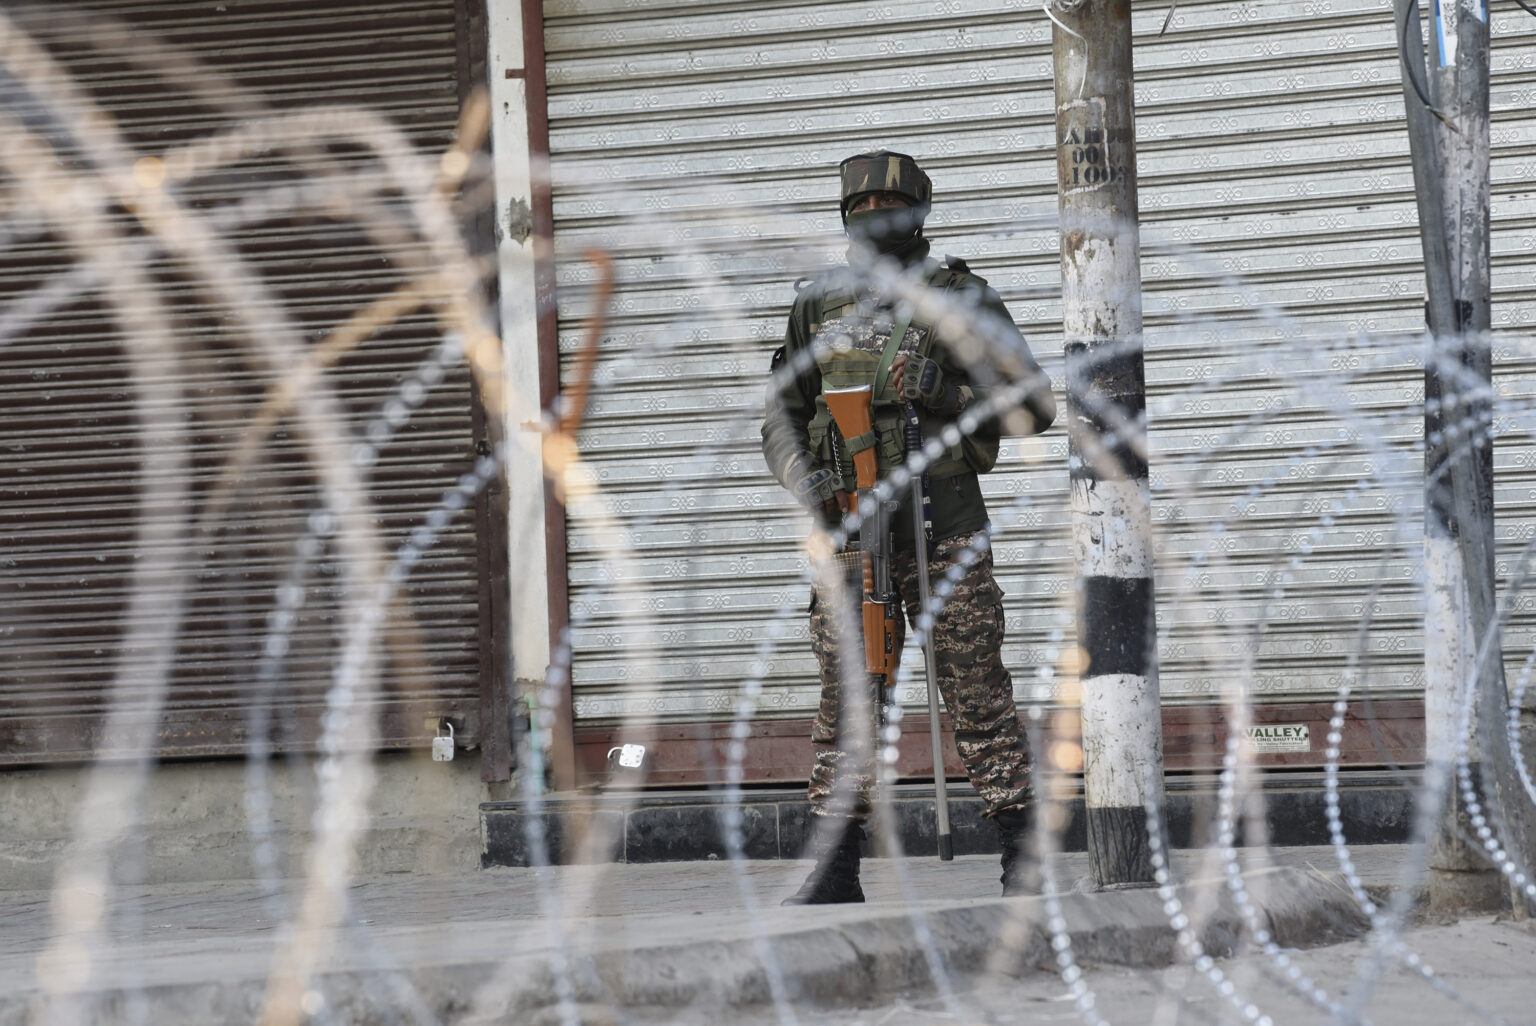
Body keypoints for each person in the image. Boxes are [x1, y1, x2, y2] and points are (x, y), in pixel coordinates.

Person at [761, 150, 1056, 904]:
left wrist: (946, 391)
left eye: (889, 206)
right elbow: (782, 417)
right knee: (848, 702)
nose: (874, 219)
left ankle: (1024, 860)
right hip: (850, 531)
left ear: (919, 211)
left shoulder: (963, 297)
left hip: (944, 525)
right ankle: (835, 869)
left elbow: (1034, 407)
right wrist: (807, 481)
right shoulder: (818, 306)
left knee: (978, 694)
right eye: (860, 208)